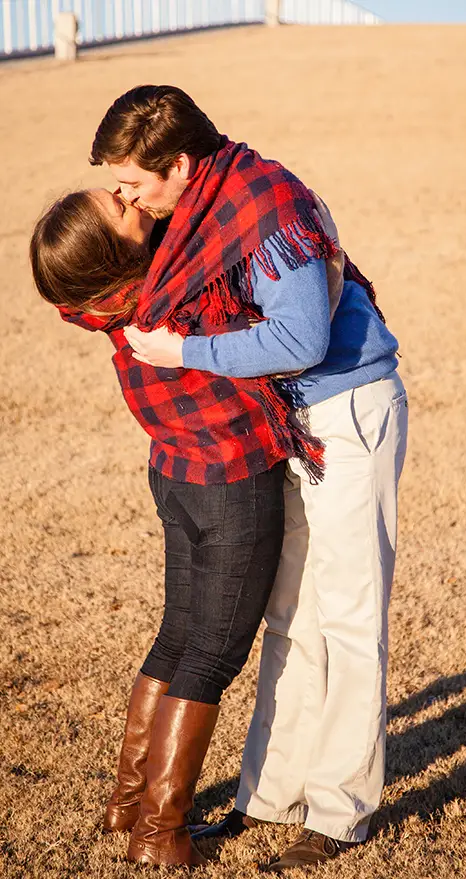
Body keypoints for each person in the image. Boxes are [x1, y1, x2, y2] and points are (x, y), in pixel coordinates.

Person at [98, 86, 409, 871]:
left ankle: (340, 810)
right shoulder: (202, 207)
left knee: (347, 615)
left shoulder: (263, 205)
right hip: (287, 424)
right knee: (288, 613)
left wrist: (183, 353)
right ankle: (267, 796)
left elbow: (301, 337)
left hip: (344, 409)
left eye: (134, 184)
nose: (129, 199)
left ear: (180, 163)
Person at [29, 103, 346, 867]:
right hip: (229, 480)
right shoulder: (168, 300)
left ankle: (127, 802)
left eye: (125, 188)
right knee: (211, 652)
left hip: (174, 475)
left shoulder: (103, 301)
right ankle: (161, 833)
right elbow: (274, 329)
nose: (131, 199)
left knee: (177, 635)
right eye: (118, 205)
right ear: (117, 249)